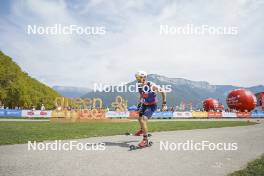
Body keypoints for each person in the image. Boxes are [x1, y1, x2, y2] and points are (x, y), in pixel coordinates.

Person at [134, 71, 167, 147]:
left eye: (138, 78)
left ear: (144, 77)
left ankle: (145, 140)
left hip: (152, 105)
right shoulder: (139, 86)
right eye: (137, 78)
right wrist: (139, 105)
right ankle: (142, 130)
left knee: (143, 119)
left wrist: (164, 104)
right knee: (139, 118)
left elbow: (163, 91)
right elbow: (142, 96)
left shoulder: (150, 85)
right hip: (145, 105)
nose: (137, 79)